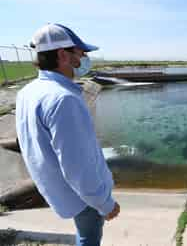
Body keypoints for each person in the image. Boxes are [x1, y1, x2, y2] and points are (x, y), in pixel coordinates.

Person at [15, 23, 120, 246]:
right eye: (79, 53)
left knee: (84, 235)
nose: (82, 59)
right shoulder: (64, 100)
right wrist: (105, 204)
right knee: (89, 238)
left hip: (62, 193)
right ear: (63, 54)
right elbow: (77, 166)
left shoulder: (28, 92)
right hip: (84, 199)